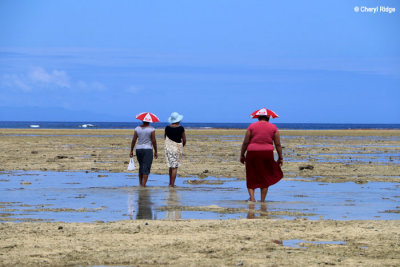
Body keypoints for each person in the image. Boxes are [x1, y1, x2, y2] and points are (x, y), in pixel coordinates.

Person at [240, 113, 283, 202]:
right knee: (265, 175)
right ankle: (262, 201)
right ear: (269, 118)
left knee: (251, 175)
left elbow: (245, 142)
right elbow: (277, 144)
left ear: (258, 117)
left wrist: (242, 154)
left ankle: (252, 199)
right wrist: (280, 157)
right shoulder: (273, 127)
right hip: (266, 153)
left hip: (252, 153)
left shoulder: (251, 126)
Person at [129, 120, 158, 187]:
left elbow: (134, 140)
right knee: (147, 167)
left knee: (141, 166)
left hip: (139, 149)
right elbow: (153, 141)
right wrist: (156, 151)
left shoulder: (137, 128)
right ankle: (144, 185)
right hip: (148, 149)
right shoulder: (151, 129)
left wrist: (131, 150)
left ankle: (140, 183)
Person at [164, 112, 186, 187]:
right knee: (175, 167)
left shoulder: (167, 128)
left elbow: (165, 138)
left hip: (168, 148)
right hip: (177, 148)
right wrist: (182, 146)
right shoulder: (180, 128)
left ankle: (170, 183)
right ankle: (172, 184)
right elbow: (184, 139)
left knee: (170, 166)